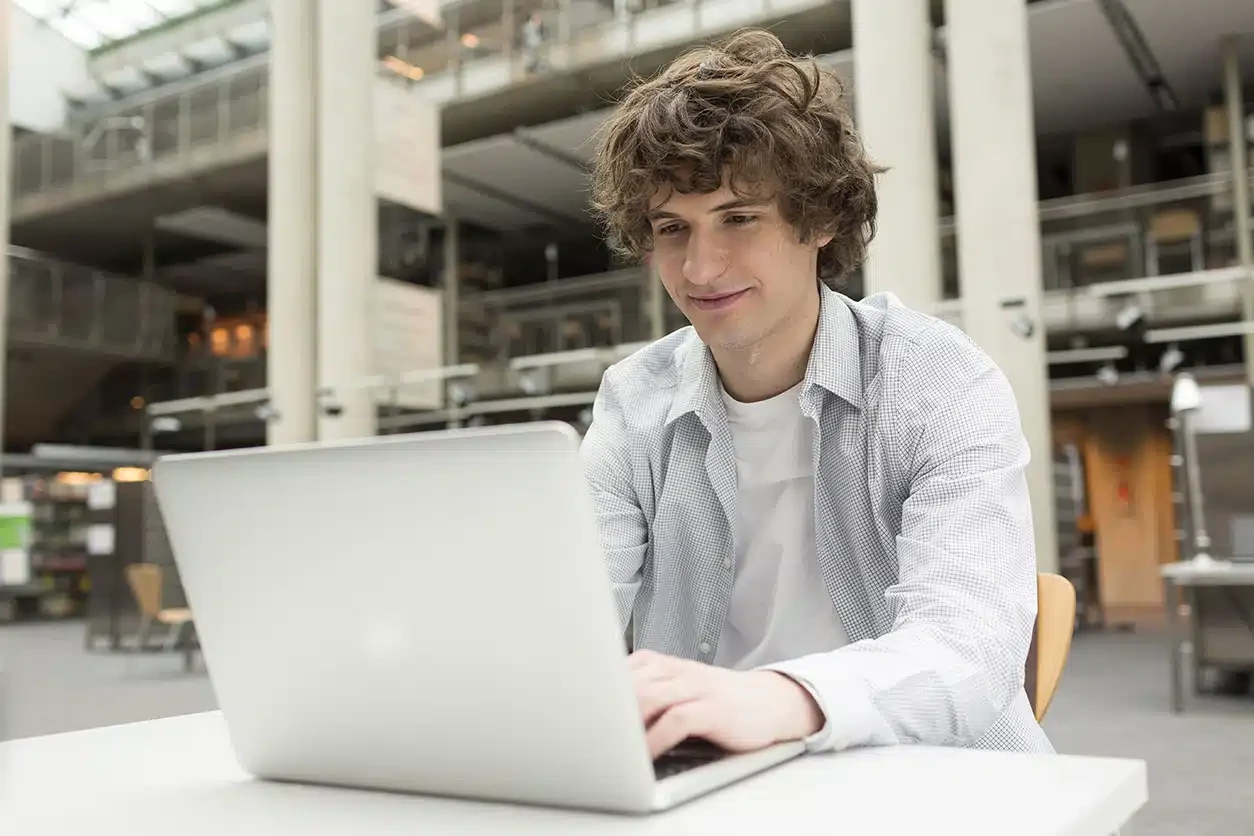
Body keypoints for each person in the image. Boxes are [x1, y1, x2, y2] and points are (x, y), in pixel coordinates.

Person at [582, 29, 1054, 759]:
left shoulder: (938, 381)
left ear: (821, 218)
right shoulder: (631, 404)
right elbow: (568, 617)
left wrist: (784, 697)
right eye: (672, 229)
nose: (700, 267)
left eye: (739, 218)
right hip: (718, 786)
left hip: (936, 785)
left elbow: (971, 642)